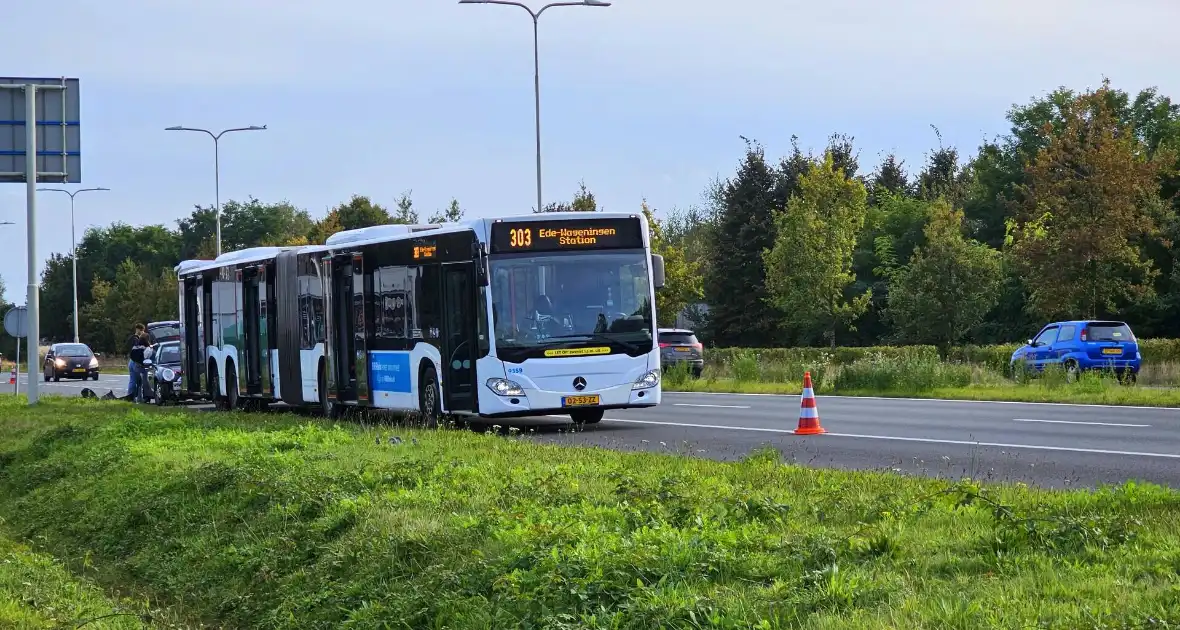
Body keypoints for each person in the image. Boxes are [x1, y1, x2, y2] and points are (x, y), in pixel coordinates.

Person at [127, 324, 149, 401]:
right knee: (139, 382)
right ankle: (139, 398)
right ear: (138, 329)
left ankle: (130, 397)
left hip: (131, 361)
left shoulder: (131, 338)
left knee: (133, 380)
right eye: (142, 330)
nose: (143, 332)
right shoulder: (136, 339)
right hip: (135, 362)